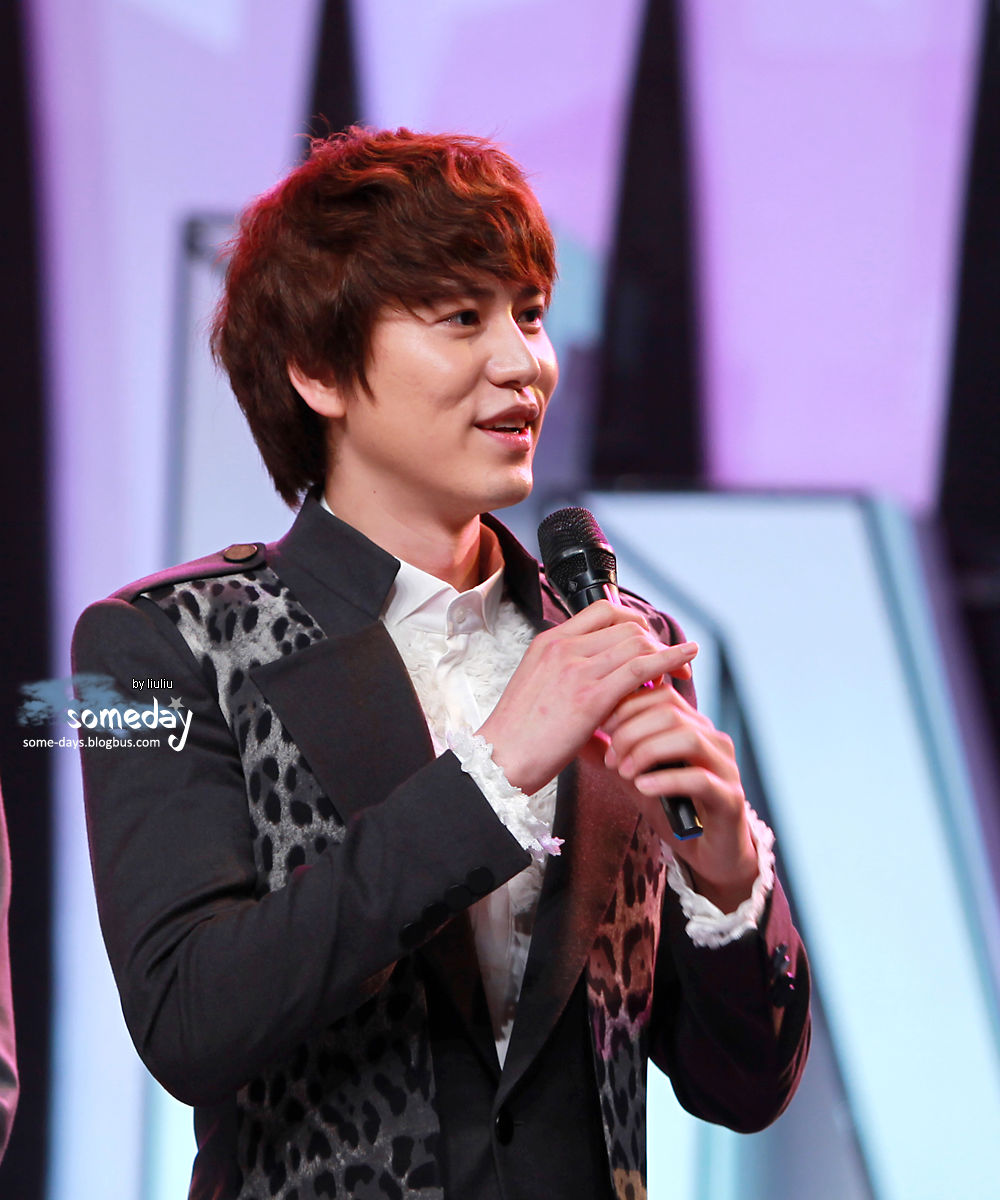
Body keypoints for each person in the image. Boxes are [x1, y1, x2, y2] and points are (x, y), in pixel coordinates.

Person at [74, 127, 809, 1200]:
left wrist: (728, 875)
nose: (522, 364)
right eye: (462, 318)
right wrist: (493, 771)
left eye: (530, 314)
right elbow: (190, 1020)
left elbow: (739, 1086)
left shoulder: (611, 641)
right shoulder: (158, 643)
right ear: (319, 370)